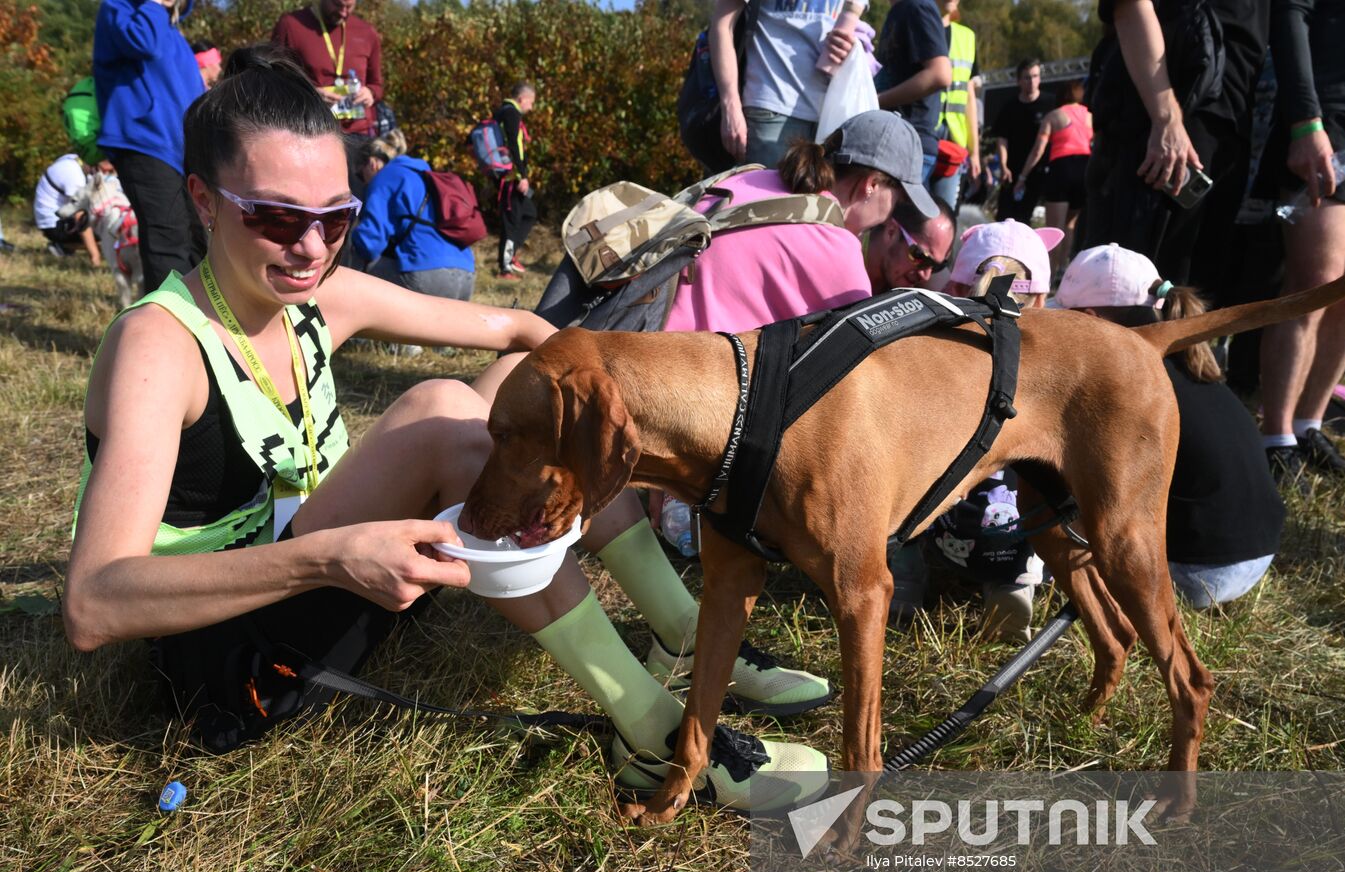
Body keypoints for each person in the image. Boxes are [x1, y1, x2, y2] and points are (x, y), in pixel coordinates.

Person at [63, 46, 828, 813]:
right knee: (441, 415)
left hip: (314, 564)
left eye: (336, 218)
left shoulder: (321, 293)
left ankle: (683, 630)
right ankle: (657, 731)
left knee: (515, 398)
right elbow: (94, 605)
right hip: (222, 658)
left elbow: (524, 331)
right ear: (202, 199)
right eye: (273, 216)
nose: (309, 247)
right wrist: (326, 557)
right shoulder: (159, 347)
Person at [1054, 244, 1284, 608]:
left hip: (1197, 570)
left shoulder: (1124, 382)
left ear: (1088, 317)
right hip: (1260, 552)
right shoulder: (1188, 360)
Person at [889, 218, 1061, 635]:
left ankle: (903, 584)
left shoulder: (923, 351)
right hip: (1012, 531)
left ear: (953, 290)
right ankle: (1015, 583)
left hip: (940, 526)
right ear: (1041, 299)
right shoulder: (1054, 362)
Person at [1254, 0, 1345, 485]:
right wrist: (1305, 119)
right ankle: (1275, 437)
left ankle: (1308, 423)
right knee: (1317, 282)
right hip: (1332, 111)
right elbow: (1290, 11)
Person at [664, 110, 944, 334]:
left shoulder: (752, 176)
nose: (890, 215)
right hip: (684, 379)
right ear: (871, 185)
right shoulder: (837, 249)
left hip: (640, 328)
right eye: (897, 200)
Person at [1079, 0, 1270, 288]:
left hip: (1232, 126)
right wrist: (1165, 120)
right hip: (1156, 119)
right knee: (1123, 293)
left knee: (1190, 294)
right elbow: (1130, 7)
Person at [92, 0, 206, 294]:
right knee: (168, 242)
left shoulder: (171, 30)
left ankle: (207, 326)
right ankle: (171, 332)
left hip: (184, 148)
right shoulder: (117, 10)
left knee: (201, 239)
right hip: (144, 144)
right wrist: (156, 4)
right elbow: (143, 42)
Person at [710, 0, 860, 168]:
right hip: (772, 109)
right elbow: (722, 24)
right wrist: (730, 107)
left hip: (831, 116)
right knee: (766, 194)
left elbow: (855, 27)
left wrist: (852, 46)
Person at [351, 135, 476, 302]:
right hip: (467, 274)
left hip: (429, 276)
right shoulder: (425, 173)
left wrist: (348, 237)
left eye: (360, 175)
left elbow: (370, 243)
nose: (363, 182)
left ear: (372, 163)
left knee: (357, 263)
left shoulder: (384, 178)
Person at [271, 0, 383, 140]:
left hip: (358, 136)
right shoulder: (291, 25)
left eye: (349, 7)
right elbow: (272, 80)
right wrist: (311, 95)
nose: (343, 12)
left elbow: (376, 85)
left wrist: (370, 93)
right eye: (337, 5)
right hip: (310, 131)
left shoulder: (367, 32)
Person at [1016, 79, 1093, 278]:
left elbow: (1038, 150)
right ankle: (1063, 269)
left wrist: (1023, 175)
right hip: (1084, 168)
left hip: (1061, 169)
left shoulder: (1054, 116)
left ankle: (1047, 273)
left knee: (1053, 227)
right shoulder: (1090, 116)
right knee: (1071, 224)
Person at [874, 0, 953, 185]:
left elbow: (940, 74)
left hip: (908, 147)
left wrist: (875, 100)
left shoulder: (917, 6)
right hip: (895, 142)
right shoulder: (900, 10)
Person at [928, 0, 979, 210]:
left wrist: (975, 152)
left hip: (954, 141)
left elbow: (969, 96)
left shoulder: (967, 37)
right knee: (911, 216)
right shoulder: (918, 27)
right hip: (922, 134)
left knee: (944, 215)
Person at [993, 58, 1055, 223]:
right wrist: (1003, 165)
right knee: (1005, 217)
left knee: (1029, 218)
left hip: (1041, 169)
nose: (1032, 81)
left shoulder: (1050, 103)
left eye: (1035, 76)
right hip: (1013, 171)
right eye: (1027, 77)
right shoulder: (1009, 107)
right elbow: (1001, 138)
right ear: (1019, 81)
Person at [863, 197, 956, 293]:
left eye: (936, 266)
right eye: (921, 257)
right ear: (891, 232)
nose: (926, 276)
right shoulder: (848, 261)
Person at [492, 83, 537, 280]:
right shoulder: (511, 114)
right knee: (512, 221)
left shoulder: (502, 112)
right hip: (511, 178)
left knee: (529, 213)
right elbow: (514, 147)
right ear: (523, 99)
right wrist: (522, 175)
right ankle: (505, 268)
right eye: (531, 102)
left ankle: (511, 256)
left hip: (508, 176)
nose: (531, 108)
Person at [33, 152, 104, 267]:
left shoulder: (73, 160)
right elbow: (81, 218)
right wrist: (95, 256)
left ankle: (65, 246)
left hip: (51, 218)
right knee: (106, 229)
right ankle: (64, 245)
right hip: (53, 225)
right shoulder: (74, 175)